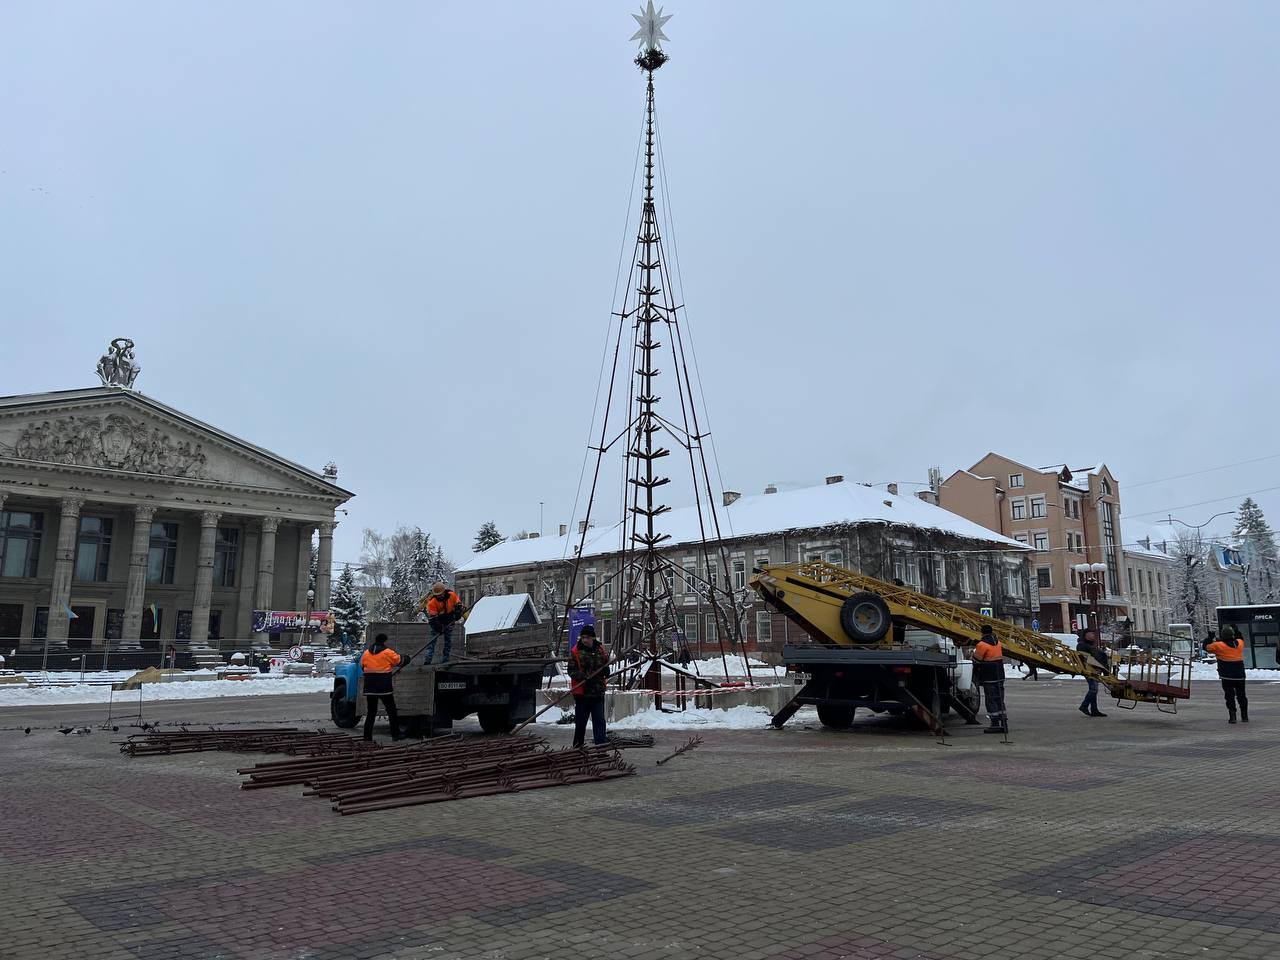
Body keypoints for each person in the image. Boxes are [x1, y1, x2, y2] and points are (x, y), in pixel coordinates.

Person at [360, 633, 408, 742]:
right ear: (384, 641)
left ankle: (367, 738)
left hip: (369, 687)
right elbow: (399, 661)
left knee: (371, 713)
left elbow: (362, 666)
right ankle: (395, 734)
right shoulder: (387, 652)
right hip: (384, 687)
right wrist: (407, 658)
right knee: (391, 710)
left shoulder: (366, 653)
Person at [568, 624, 610, 748]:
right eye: (583, 637)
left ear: (593, 638)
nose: (585, 639)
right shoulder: (576, 651)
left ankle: (600, 747)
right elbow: (571, 670)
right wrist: (582, 676)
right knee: (581, 722)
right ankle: (577, 747)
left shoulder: (600, 650)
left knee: (599, 721)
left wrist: (605, 671)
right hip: (582, 693)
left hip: (597, 692)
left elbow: (605, 665)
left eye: (587, 637)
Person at [1203, 626, 1248, 724]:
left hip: (1227, 676)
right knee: (1242, 696)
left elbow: (1206, 647)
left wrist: (1210, 637)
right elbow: (1241, 638)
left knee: (1229, 696)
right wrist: (1237, 631)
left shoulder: (1218, 645)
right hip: (1240, 675)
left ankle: (1233, 717)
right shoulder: (1239, 644)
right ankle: (1245, 716)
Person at [972, 624, 1007, 734]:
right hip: (999, 674)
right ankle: (1004, 722)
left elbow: (977, 660)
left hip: (989, 675)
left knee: (991, 699)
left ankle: (995, 724)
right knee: (999, 698)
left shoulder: (982, 645)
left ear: (982, 632)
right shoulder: (998, 642)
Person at [422, 582, 464, 664]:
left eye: (440, 594)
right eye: (437, 595)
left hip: (449, 620)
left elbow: (458, 605)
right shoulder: (432, 602)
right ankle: (428, 660)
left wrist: (458, 613)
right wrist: (439, 628)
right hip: (437, 621)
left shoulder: (452, 595)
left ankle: (445, 660)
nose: (439, 596)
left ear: (444, 592)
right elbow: (433, 618)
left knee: (448, 642)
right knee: (432, 642)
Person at [1076, 627, 1109, 718]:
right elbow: (1089, 658)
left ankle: (1094, 710)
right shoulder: (1082, 645)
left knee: (1094, 690)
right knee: (1093, 689)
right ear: (1086, 635)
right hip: (1090, 670)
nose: (1093, 635)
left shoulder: (1089, 645)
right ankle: (1084, 706)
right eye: (1092, 633)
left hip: (1095, 669)